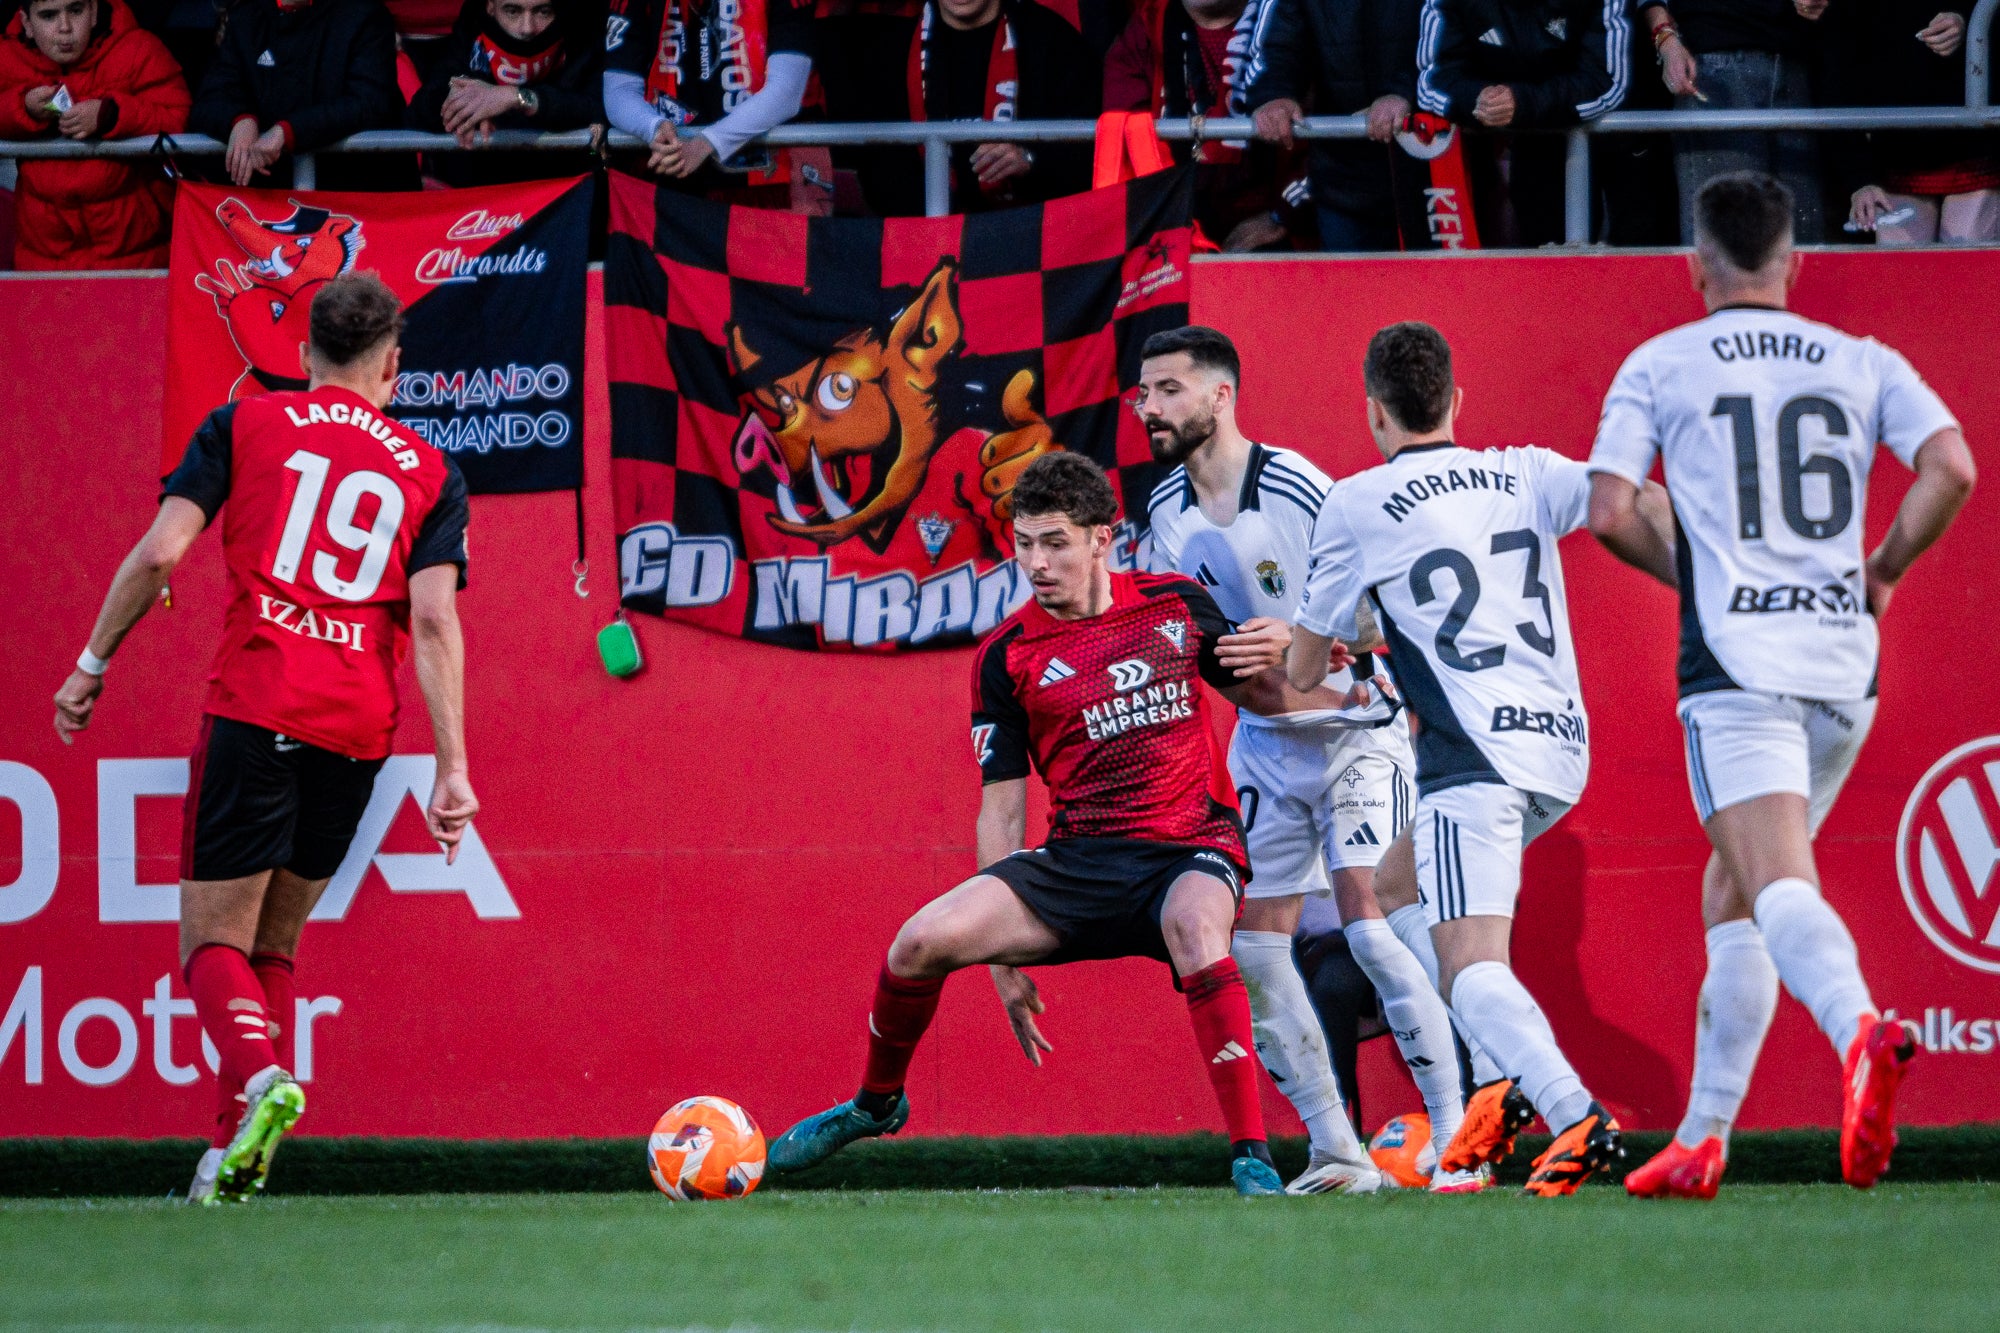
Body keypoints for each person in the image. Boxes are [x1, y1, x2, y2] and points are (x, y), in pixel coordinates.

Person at [765, 453, 1375, 1195]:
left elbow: (1266, 692)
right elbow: (1002, 805)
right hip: (1078, 863)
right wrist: (998, 964)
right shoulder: (1006, 656)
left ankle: (1251, 1155)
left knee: (1196, 930)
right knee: (918, 941)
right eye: (1023, 542)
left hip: (1190, 844)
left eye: (1053, 541)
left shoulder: (1176, 604)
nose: (1035, 561)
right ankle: (876, 1102)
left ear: (1102, 538)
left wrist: (1351, 700)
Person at [1588, 171, 1976, 1198]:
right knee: (1735, 886)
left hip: (1740, 667)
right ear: (1794, 263)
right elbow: (1951, 466)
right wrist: (1883, 567)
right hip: (1843, 664)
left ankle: (1859, 1033)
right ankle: (1704, 1136)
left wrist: (1694, 576)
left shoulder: (1659, 361)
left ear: (1693, 266)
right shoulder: (1859, 360)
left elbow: (1606, 506)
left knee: (1770, 882)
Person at [51, 273, 479, 1205]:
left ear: (304, 354)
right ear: (393, 368)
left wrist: (91, 661)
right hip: (360, 729)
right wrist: (452, 770)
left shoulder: (245, 423)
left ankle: (258, 1081)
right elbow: (437, 620)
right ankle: (227, 1157)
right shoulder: (432, 470)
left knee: (210, 942)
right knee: (272, 948)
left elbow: (162, 550)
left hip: (258, 707)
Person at [1286, 321, 1671, 1195]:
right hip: (1559, 749)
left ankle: (1572, 1113)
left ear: (1374, 412)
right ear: (1457, 401)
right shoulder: (1526, 468)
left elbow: (1304, 669)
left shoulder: (1355, 501)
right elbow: (1635, 500)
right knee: (1393, 885)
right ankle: (1500, 1090)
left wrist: (1346, 635)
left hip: (1474, 758)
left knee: (1471, 969)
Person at [1124, 324, 1481, 1192]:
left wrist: (1306, 635)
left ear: (1221, 395)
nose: (1150, 408)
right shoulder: (1163, 515)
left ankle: (1457, 1138)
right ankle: (1337, 1149)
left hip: (1356, 728)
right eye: (1143, 393)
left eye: (1169, 390)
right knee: (1252, 944)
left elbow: (1383, 611)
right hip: (1269, 744)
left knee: (1367, 917)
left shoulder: (1297, 485)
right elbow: (1192, 643)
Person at [1414, 0, 1629, 246]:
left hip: (1595, 154)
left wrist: (1523, 102)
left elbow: (1607, 81)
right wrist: (1479, 99)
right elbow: (1433, 79)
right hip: (1496, 159)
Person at [1102, 0, 1308, 251]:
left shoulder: (1290, 18)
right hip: (1174, 227)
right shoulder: (1146, 28)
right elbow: (1125, 154)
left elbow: (1337, 142)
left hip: (1287, 229)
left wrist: (1282, 216)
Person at [0, 0, 188, 269]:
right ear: (27, 23)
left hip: (136, 249)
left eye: (75, 11)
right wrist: (22, 108)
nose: (65, 28)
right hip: (44, 252)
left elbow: (177, 115)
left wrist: (112, 114)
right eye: (49, 16)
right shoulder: (7, 56)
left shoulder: (138, 49)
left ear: (93, 12)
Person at [601, 0, 826, 207]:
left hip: (774, 181)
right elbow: (619, 90)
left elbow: (786, 93)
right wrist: (654, 128)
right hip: (674, 176)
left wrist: (706, 143)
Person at [1640, 0, 1828, 242]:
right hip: (1714, 65)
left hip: (1796, 63)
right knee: (1726, 240)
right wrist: (1666, 40)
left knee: (1803, 245)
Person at [1244, 0, 1419, 252]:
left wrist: (1405, 94)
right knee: (1352, 291)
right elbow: (1276, 46)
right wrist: (1274, 95)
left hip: (1439, 177)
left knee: (1449, 288)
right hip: (1344, 183)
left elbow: (1457, 43)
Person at [187, 0, 404, 191]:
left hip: (354, 195)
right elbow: (211, 97)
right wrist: (239, 121)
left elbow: (370, 102)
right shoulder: (247, 17)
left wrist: (288, 131)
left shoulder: (365, 15)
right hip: (266, 203)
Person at [1834, 5, 1998, 246]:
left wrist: (1971, 23)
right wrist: (1859, 179)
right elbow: (1836, 65)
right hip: (1896, 150)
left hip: (1976, 144)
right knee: (1899, 277)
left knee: (1965, 272)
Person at [406, 0, 604, 186]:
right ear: (491, 6)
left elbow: (599, 107)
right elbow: (419, 111)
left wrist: (517, 97)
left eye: (544, 12)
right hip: (480, 199)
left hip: (564, 191)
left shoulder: (582, 32)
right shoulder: (472, 28)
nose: (527, 28)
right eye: (512, 11)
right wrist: (459, 98)